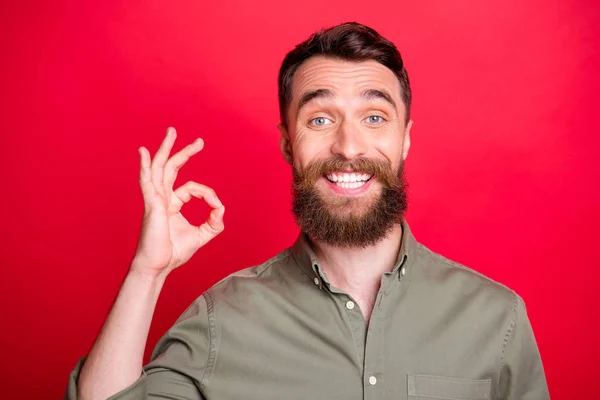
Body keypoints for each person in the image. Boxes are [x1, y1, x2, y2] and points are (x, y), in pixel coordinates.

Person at [65, 22, 549, 400]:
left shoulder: (496, 318)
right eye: (320, 119)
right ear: (287, 144)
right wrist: (146, 273)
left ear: (404, 139)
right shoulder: (221, 319)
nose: (349, 144)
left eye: (374, 117)